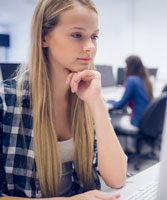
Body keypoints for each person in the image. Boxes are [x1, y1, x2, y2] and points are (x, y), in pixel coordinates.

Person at [0, 0, 127, 199]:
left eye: (94, 36)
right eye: (77, 35)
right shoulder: (5, 102)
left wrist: (97, 103)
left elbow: (117, 179)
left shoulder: (86, 98)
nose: (90, 47)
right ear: (44, 37)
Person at [108, 55, 154, 127]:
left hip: (138, 121)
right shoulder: (145, 80)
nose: (124, 68)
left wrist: (108, 101)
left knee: (112, 122)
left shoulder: (131, 80)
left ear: (131, 67)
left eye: (126, 65)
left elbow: (120, 105)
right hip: (147, 121)